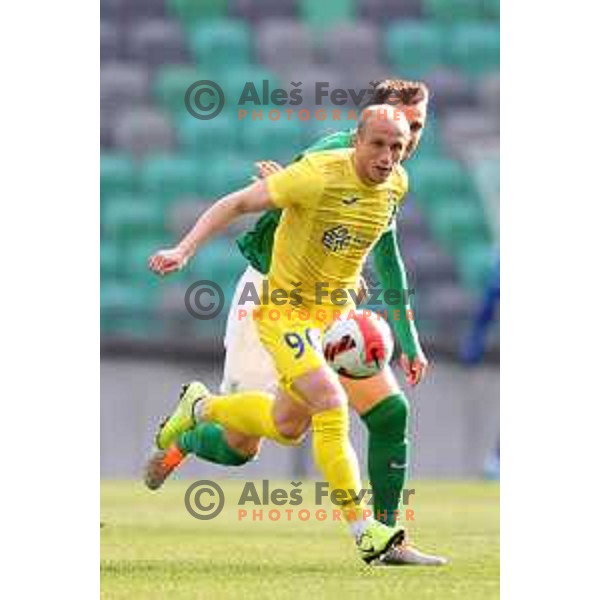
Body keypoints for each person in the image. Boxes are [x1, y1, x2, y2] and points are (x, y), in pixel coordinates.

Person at [147, 81, 446, 565]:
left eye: (413, 132)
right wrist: (183, 249)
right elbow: (241, 204)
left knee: (299, 423)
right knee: (252, 445)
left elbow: (376, 247)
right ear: (360, 133)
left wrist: (404, 334)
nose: (402, 145)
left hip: (333, 314)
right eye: (389, 136)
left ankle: (203, 406)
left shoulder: (396, 180)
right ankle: (363, 531)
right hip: (274, 299)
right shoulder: (321, 168)